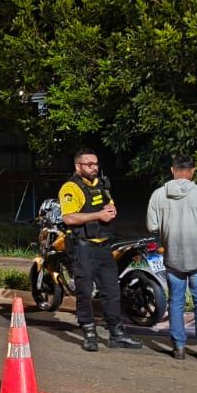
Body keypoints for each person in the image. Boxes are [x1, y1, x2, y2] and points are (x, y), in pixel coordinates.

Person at [58, 148, 139, 352]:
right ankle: (89, 333)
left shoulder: (102, 184)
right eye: (89, 164)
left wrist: (111, 211)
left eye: (95, 164)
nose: (94, 168)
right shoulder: (70, 187)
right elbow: (69, 218)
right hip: (83, 248)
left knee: (112, 291)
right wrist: (98, 215)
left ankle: (116, 333)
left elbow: (109, 206)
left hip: (104, 246)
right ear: (78, 166)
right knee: (84, 292)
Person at [147, 154, 197, 361]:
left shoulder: (158, 195)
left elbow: (151, 226)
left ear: (172, 170)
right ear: (192, 171)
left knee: (176, 302)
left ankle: (179, 347)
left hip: (173, 257)